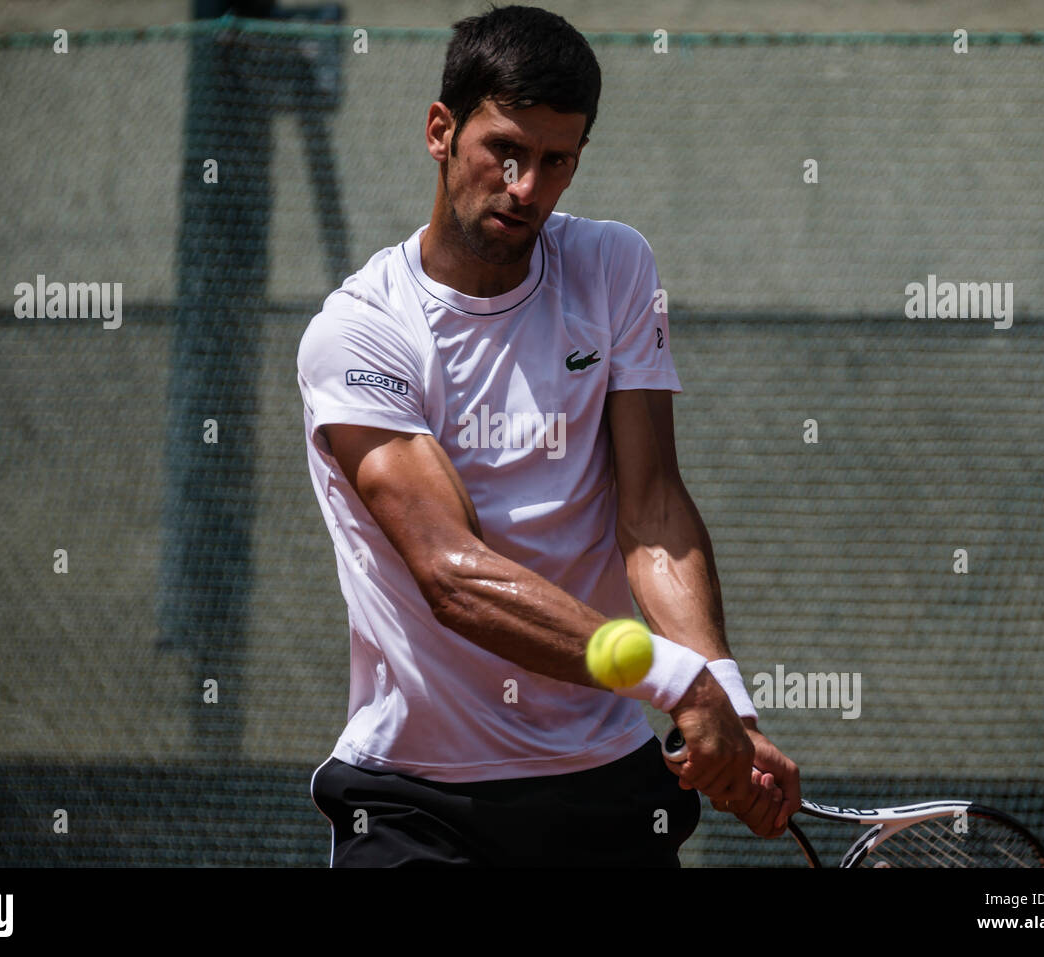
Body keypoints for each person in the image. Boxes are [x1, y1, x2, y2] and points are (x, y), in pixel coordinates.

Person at [297, 4, 800, 867]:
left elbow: (651, 512)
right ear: (440, 132)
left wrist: (728, 699)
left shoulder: (613, 268)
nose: (527, 185)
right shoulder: (359, 332)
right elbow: (454, 574)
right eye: (506, 150)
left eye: (556, 160)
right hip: (418, 801)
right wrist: (674, 681)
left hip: (605, 784)